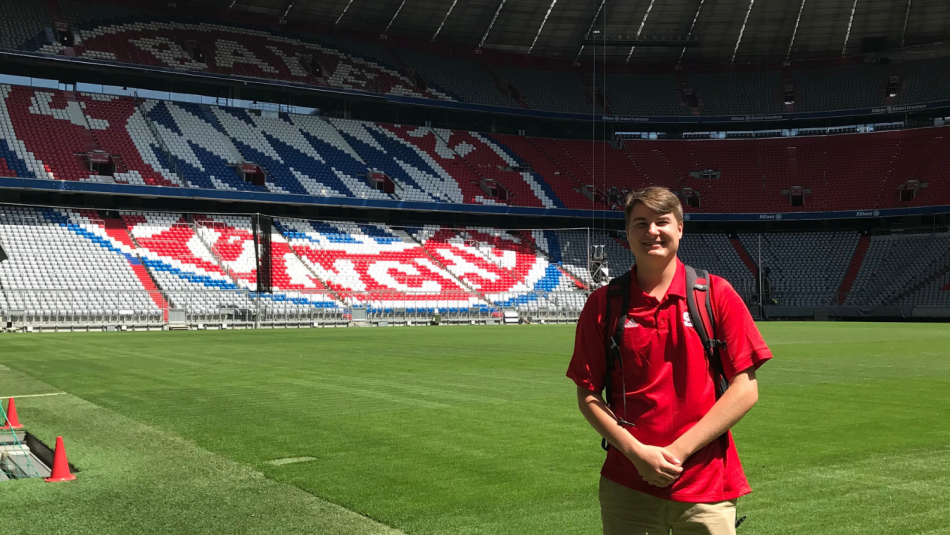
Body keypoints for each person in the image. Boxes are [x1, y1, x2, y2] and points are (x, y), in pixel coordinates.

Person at [567, 186, 772, 535]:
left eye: (662, 221)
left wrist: (676, 452)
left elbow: (745, 389)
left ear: (680, 227)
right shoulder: (603, 304)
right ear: (627, 233)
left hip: (707, 487)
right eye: (640, 223)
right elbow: (588, 395)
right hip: (627, 486)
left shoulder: (717, 294)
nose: (652, 232)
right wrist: (636, 453)